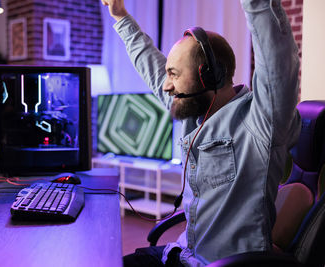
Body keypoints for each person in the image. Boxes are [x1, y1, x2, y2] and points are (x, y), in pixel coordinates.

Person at [101, 0, 301, 266]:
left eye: (173, 74)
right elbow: (149, 64)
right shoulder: (193, 111)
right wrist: (120, 15)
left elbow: (278, 60)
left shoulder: (260, 121)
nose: (167, 85)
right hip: (182, 253)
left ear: (209, 75)